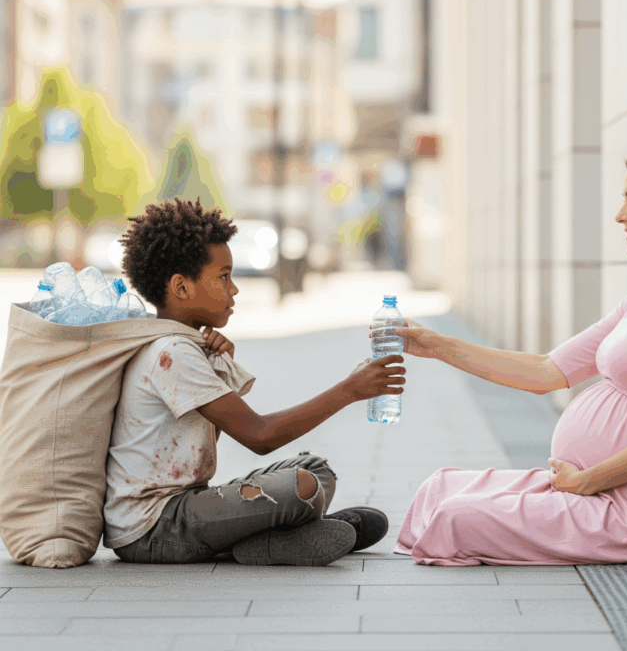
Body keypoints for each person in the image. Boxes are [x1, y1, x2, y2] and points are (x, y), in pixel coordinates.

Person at [392, 139, 627, 566]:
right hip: (599, 489)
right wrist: (438, 346)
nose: (620, 215)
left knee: (457, 516)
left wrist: (588, 480)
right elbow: (545, 370)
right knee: (438, 488)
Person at [103, 198, 406, 566]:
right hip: (154, 528)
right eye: (223, 277)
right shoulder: (172, 353)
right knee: (302, 486)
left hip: (183, 509)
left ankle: (272, 538)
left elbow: (204, 441)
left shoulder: (185, 346)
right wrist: (349, 390)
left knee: (315, 469)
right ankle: (269, 542)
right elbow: (260, 436)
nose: (234, 290)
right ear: (181, 287)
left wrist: (216, 369)